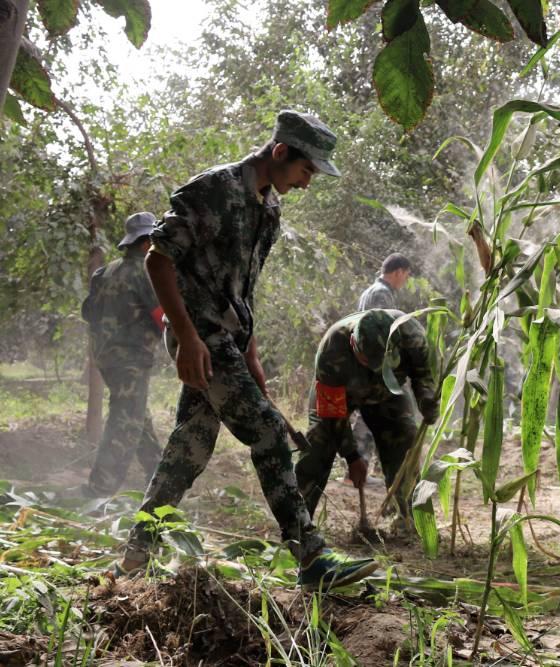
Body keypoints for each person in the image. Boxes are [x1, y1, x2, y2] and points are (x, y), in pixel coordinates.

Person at [113, 110, 376, 590]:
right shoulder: (212, 190)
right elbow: (158, 259)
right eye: (306, 170)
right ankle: (311, 556)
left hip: (228, 342)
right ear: (280, 153)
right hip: (202, 339)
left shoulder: (269, 209)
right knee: (269, 433)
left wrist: (251, 357)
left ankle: (135, 553)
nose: (308, 182)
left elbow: (243, 289)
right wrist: (188, 339)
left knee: (187, 450)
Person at [297, 309, 438, 522]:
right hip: (339, 397)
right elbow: (332, 413)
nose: (375, 370)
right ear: (354, 346)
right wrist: (352, 457)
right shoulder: (332, 347)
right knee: (318, 443)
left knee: (405, 438)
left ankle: (407, 518)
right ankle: (298, 523)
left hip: (389, 394)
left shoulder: (412, 336)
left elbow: (424, 375)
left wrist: (426, 400)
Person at [80, 212, 164, 497]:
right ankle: (99, 490)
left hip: (105, 358)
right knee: (125, 422)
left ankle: (162, 483)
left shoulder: (104, 273)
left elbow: (88, 313)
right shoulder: (147, 271)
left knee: (137, 416)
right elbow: (161, 317)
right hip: (131, 360)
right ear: (145, 244)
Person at [346, 253, 414, 485]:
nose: (404, 281)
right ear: (398, 272)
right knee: (372, 416)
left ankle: (361, 470)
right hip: (375, 365)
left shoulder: (370, 291)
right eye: (405, 275)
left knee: (370, 415)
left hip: (365, 362)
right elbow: (384, 333)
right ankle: (357, 471)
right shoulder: (382, 294)